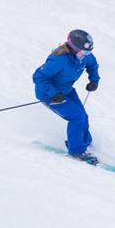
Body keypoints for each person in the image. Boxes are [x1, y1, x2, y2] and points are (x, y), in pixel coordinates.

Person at [32, 29, 101, 164]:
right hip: (49, 95)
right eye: (85, 51)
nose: (86, 55)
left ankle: (85, 143)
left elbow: (92, 65)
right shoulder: (59, 59)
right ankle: (76, 151)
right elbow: (38, 76)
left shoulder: (84, 56)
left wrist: (94, 80)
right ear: (74, 48)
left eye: (88, 52)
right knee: (77, 117)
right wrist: (52, 93)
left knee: (83, 116)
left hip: (67, 90)